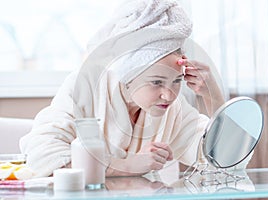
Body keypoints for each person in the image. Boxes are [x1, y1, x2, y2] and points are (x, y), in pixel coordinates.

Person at [19, 0, 225, 177]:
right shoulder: (86, 88)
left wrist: (214, 96)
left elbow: (223, 156)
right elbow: (42, 154)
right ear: (128, 74)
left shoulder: (171, 108)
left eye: (177, 81)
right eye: (156, 82)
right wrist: (127, 166)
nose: (168, 94)